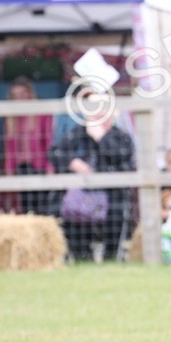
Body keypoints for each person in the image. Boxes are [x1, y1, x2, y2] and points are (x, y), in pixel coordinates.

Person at [50, 89, 136, 263]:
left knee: (116, 219)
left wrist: (101, 137)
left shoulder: (120, 136)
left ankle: (111, 259)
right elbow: (55, 153)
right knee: (73, 220)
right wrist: (73, 162)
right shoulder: (77, 133)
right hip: (80, 194)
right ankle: (82, 259)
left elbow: (123, 156)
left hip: (113, 196)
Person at [2, 77, 55, 215]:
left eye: (22, 94)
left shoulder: (41, 115)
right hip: (22, 167)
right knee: (26, 208)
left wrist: (49, 167)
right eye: (15, 95)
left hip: (39, 166)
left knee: (42, 206)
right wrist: (9, 171)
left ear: (30, 94)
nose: (19, 98)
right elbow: (9, 148)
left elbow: (49, 141)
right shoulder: (11, 119)